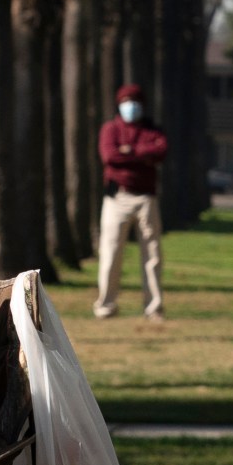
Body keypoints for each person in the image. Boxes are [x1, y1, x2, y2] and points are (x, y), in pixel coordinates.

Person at [95, 82, 168, 321]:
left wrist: (128, 151)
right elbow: (109, 155)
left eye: (135, 102)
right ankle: (106, 306)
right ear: (119, 104)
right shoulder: (110, 129)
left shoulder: (152, 130)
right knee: (111, 253)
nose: (131, 106)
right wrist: (141, 154)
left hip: (147, 198)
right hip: (117, 198)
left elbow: (161, 151)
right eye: (127, 102)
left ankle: (153, 307)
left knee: (153, 254)